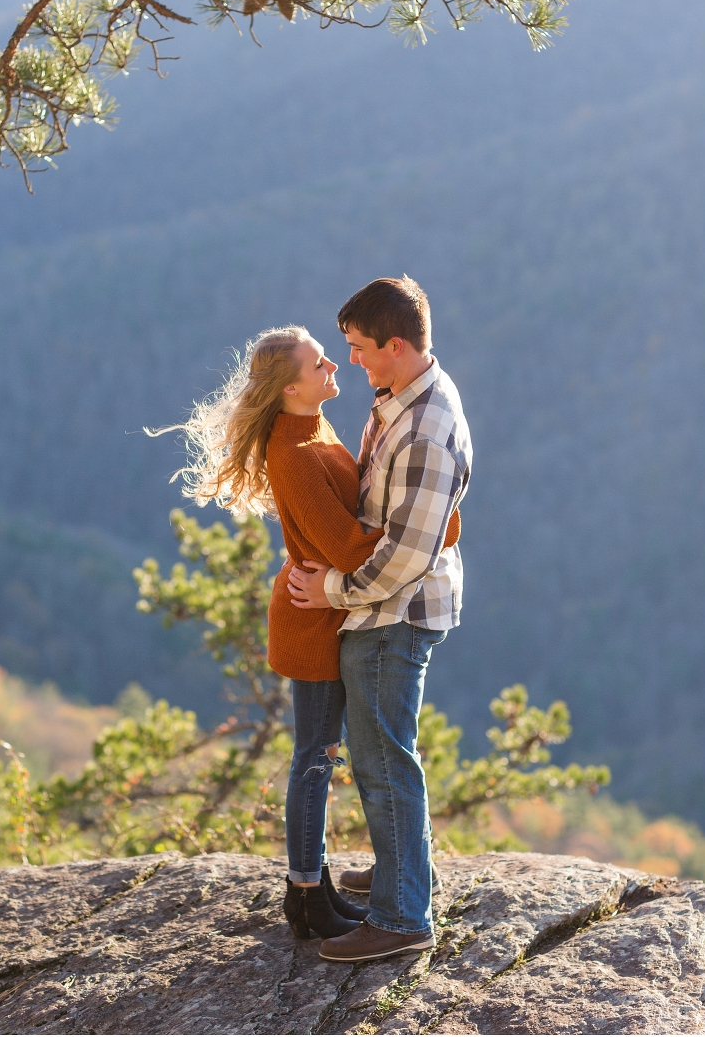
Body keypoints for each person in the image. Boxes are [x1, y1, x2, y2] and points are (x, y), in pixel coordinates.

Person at [161, 323, 461, 942]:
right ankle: (305, 891)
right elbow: (350, 547)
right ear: (291, 385)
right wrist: (438, 530)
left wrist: (425, 517)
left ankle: (316, 887)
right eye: (322, 361)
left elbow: (360, 507)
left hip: (334, 610)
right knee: (316, 757)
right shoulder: (293, 453)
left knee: (325, 754)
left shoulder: (314, 428)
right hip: (314, 618)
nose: (336, 367)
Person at [288, 276, 472, 963]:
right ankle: (403, 873)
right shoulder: (400, 396)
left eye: (361, 348)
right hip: (385, 605)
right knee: (380, 754)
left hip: (395, 610)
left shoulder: (426, 428)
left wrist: (332, 588)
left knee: (383, 758)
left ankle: (400, 917)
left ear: (397, 345)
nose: (353, 360)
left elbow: (403, 558)